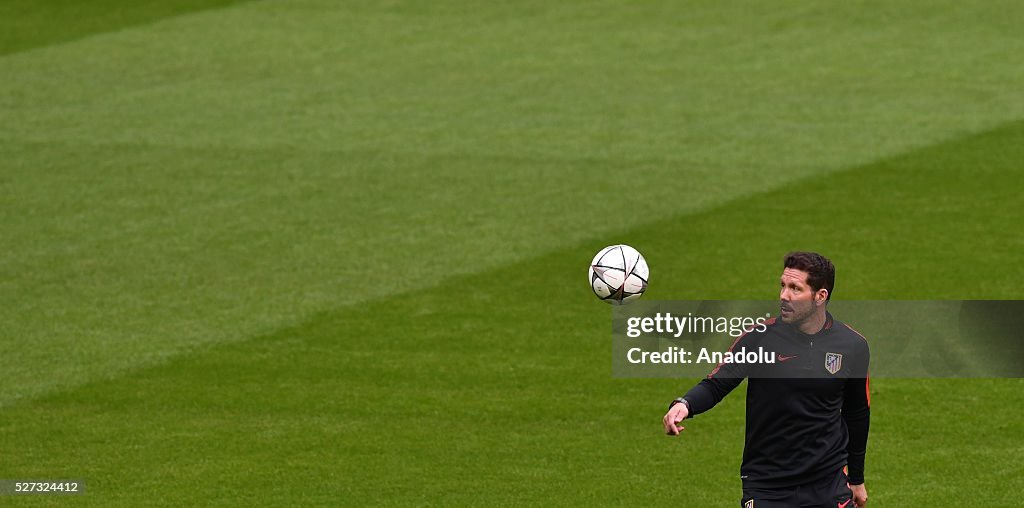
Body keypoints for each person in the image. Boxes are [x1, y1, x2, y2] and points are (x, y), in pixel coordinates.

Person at [662, 252, 870, 508]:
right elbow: (718, 382)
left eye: (795, 288)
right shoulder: (759, 337)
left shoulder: (852, 346)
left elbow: (857, 412)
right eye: (783, 285)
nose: (784, 295)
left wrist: (857, 479)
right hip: (768, 484)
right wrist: (685, 404)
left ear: (820, 296)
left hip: (827, 482)